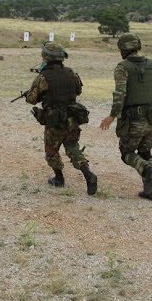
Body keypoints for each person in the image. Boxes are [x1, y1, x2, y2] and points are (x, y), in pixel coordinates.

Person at [99, 33, 152, 202]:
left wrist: (112, 115)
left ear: (123, 49)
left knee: (127, 153)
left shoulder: (122, 67)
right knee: (145, 151)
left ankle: (147, 170)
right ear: (138, 46)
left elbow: (120, 93)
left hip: (134, 120)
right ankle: (150, 190)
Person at [25, 42, 97, 195]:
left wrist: (30, 94)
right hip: (73, 118)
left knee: (51, 151)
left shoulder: (43, 77)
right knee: (72, 147)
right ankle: (88, 174)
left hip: (55, 121)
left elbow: (32, 99)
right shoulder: (71, 73)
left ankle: (59, 178)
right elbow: (78, 91)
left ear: (46, 57)